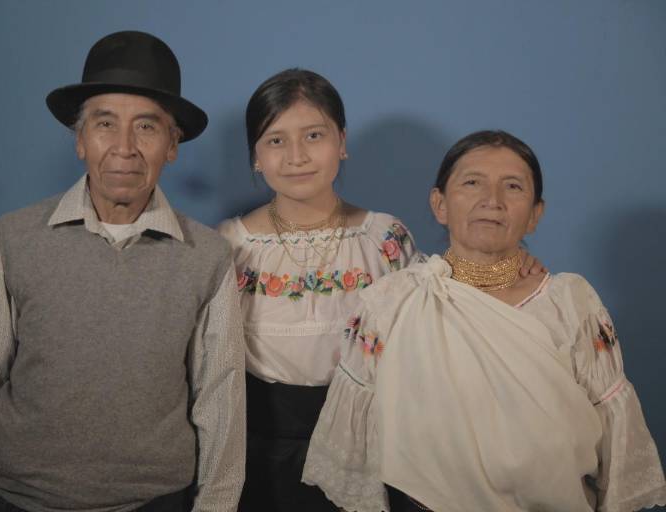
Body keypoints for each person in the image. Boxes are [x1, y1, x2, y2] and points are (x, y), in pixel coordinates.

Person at [0, 31, 245, 512]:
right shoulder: (13, 238)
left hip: (152, 502)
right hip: (16, 500)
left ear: (172, 144)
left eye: (146, 126)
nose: (124, 147)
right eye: (104, 124)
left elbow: (221, 401)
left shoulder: (208, 255)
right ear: (80, 140)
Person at [217, 72, 542, 511]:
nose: (297, 156)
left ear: (342, 141)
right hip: (260, 449)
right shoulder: (230, 246)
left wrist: (511, 266)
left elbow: (442, 306)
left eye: (314, 135)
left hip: (370, 444)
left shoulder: (383, 238)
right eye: (276, 140)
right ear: (255, 155)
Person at [302, 130, 666, 512]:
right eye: (472, 183)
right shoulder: (391, 303)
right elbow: (357, 452)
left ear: (535, 214)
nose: (492, 200)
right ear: (439, 204)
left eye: (513, 186)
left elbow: (613, 433)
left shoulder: (570, 303)